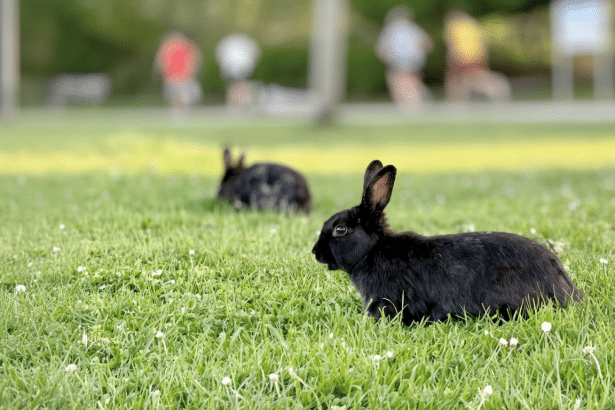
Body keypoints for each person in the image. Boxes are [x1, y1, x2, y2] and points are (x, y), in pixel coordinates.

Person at [444, 10, 510, 102]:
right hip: (478, 57)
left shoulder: (454, 26)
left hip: (461, 57)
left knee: (456, 80)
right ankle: (495, 91)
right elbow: (483, 43)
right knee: (476, 77)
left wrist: (451, 59)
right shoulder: (473, 25)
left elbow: (452, 44)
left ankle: (457, 102)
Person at [376, 6, 433, 108]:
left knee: (398, 81)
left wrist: (386, 59)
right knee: (411, 81)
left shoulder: (391, 29)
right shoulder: (414, 28)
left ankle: (409, 105)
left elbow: (382, 48)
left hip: (397, 60)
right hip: (414, 60)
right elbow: (427, 43)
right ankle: (415, 102)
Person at [155, 32, 203, 109]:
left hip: (174, 77)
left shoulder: (167, 46)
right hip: (183, 76)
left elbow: (160, 62)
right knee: (182, 96)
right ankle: (183, 112)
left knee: (176, 97)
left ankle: (178, 113)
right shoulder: (186, 45)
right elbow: (195, 57)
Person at [215, 33, 261, 108]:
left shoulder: (247, 43)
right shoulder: (228, 42)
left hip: (244, 68)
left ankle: (242, 103)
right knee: (233, 86)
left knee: (241, 85)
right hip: (229, 68)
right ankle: (233, 104)